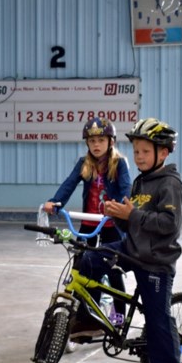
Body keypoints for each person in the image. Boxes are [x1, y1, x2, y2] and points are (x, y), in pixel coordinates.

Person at [75, 117, 182, 363]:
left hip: (156, 261)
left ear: (163, 153)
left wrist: (131, 215)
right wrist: (118, 216)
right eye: (136, 151)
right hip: (132, 248)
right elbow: (133, 226)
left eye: (145, 152)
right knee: (89, 259)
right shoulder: (140, 181)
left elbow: (168, 225)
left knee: (157, 319)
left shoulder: (169, 183)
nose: (139, 157)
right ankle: (92, 319)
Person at [43, 117, 132, 329]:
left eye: (101, 140)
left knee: (114, 270)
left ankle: (119, 315)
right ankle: (89, 314)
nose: (96, 145)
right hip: (89, 225)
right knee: (85, 268)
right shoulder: (84, 163)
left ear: (111, 142)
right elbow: (69, 183)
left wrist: (117, 207)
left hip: (111, 226)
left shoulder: (119, 163)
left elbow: (126, 188)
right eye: (92, 141)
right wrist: (55, 201)